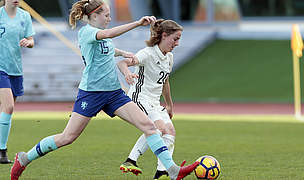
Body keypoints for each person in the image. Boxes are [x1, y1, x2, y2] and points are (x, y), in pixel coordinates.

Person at [10, 0, 198, 179]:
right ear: (94, 16)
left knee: (149, 127)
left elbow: (108, 47)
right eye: (106, 15)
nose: (109, 18)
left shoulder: (101, 34)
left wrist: (122, 53)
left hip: (114, 94)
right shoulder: (87, 32)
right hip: (91, 94)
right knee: (67, 137)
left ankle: (172, 170)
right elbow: (107, 36)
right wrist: (137, 23)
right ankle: (24, 158)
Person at [117, 19, 183, 180]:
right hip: (139, 97)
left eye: (179, 39)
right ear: (164, 35)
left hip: (154, 101)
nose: (177, 43)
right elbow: (122, 63)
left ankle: (161, 172)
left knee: (170, 132)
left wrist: (169, 105)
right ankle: (130, 160)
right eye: (175, 39)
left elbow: (165, 81)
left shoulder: (169, 58)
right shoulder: (147, 53)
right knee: (158, 128)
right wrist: (127, 73)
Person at [0, 0, 35, 164]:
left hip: (16, 70)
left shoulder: (25, 16)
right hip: (1, 69)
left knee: (5, 111)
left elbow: (31, 40)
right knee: (8, 107)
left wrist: (28, 42)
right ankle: (2, 151)